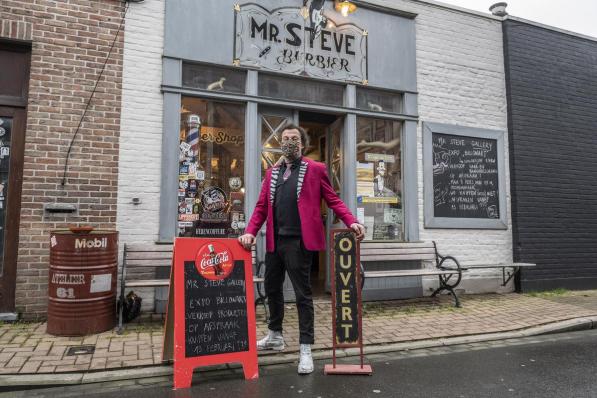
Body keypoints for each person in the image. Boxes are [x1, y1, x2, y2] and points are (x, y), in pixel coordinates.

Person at [239, 123, 365, 374]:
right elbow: (262, 207)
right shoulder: (272, 173)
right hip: (275, 242)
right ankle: (275, 335)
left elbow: (333, 199)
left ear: (302, 143)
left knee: (302, 295)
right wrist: (250, 231)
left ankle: (305, 348)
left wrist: (351, 220)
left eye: (294, 138)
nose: (289, 141)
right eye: (285, 138)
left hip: (299, 243)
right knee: (271, 289)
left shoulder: (316, 169)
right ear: (280, 143)